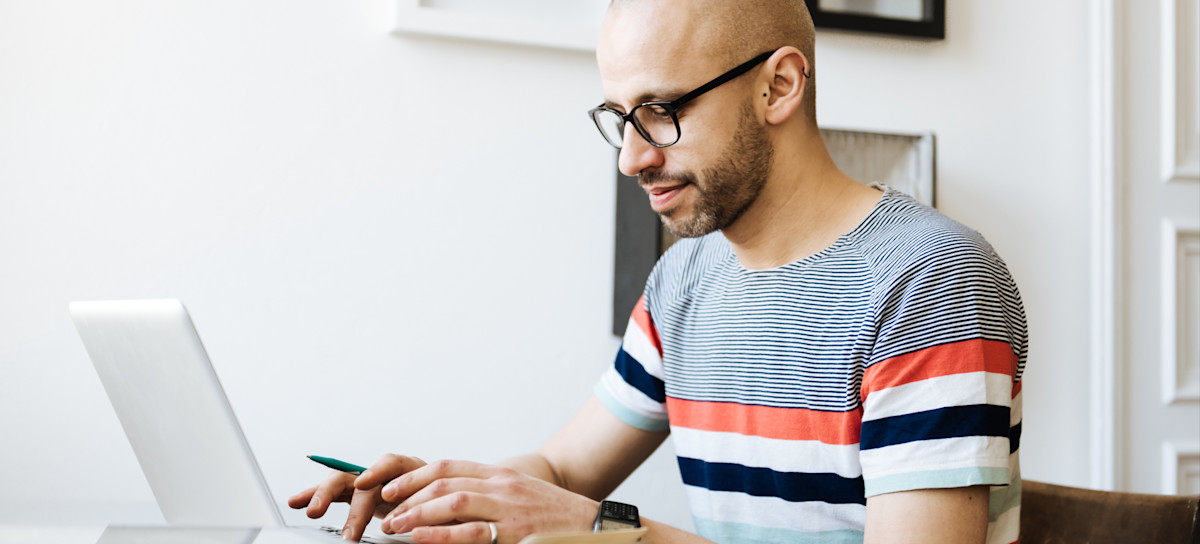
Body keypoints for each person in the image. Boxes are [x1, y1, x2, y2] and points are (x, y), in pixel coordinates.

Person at [288, 0, 1028, 542]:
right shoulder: (685, 282)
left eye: (661, 111)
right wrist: (447, 497)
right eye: (619, 117)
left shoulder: (928, 282)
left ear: (778, 87)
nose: (631, 157)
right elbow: (563, 471)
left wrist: (614, 532)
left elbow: (585, 508)